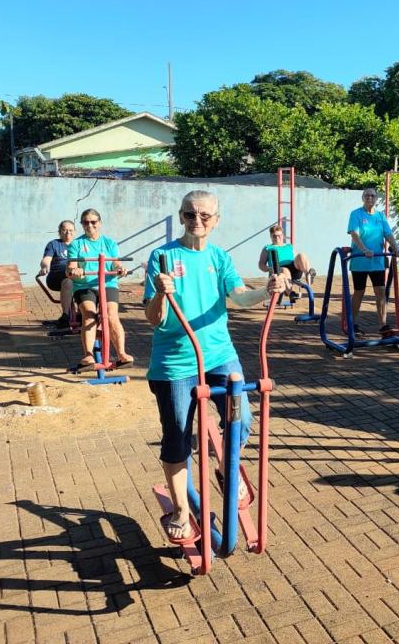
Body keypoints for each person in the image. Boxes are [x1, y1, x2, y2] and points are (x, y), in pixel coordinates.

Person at [144, 190, 285, 541]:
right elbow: (154, 318)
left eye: (205, 216)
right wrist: (161, 292)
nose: (197, 221)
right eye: (190, 214)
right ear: (181, 216)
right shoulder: (162, 257)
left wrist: (267, 290)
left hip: (219, 355)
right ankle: (181, 510)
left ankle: (226, 468)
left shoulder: (220, 257)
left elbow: (239, 297)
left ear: (216, 221)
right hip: (175, 361)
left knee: (243, 419)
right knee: (177, 436)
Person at [67, 209, 132, 370]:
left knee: (111, 315)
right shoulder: (76, 244)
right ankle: (88, 355)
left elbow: (115, 263)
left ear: (100, 223)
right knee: (89, 316)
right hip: (85, 285)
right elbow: (70, 268)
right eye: (86, 222)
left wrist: (120, 269)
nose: (90, 225)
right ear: (82, 224)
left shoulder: (109, 243)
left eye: (93, 222)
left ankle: (121, 354)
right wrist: (75, 270)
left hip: (107, 283)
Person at [347, 186, 399, 337]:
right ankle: (352, 324)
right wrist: (364, 249)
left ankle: (383, 325)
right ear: (362, 198)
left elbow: (388, 234)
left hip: (377, 260)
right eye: (367, 195)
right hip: (360, 260)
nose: (369, 198)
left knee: (381, 291)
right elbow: (354, 234)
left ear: (376, 199)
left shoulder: (380, 216)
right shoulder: (356, 214)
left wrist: (396, 248)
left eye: (372, 196)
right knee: (359, 291)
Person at [258, 223, 316, 293]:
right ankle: (290, 293)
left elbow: (296, 260)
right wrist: (270, 269)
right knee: (285, 270)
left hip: (293, 269)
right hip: (278, 270)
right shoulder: (268, 248)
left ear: (282, 236)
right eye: (274, 236)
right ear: (271, 236)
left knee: (301, 255)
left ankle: (309, 275)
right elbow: (261, 264)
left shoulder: (289, 246)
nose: (277, 238)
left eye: (279, 236)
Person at [38, 220, 76, 326]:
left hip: (75, 276)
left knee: (70, 282)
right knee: (68, 279)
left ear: (75, 232)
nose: (68, 233)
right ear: (59, 232)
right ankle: (65, 316)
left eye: (71, 230)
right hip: (57, 276)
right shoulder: (54, 244)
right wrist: (45, 266)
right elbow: (46, 259)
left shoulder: (78, 244)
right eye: (65, 230)